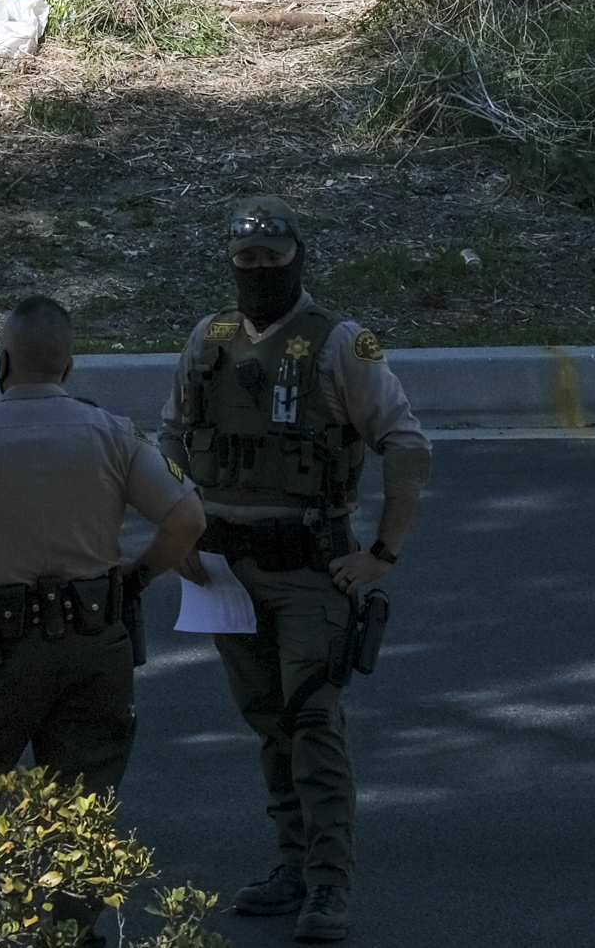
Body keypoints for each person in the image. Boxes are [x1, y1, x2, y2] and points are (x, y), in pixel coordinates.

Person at [159, 197, 429, 945]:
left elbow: (407, 446)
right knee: (268, 721)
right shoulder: (207, 340)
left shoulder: (342, 343)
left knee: (312, 719)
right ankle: (292, 865)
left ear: (297, 258)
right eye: (245, 260)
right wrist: (177, 526)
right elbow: (171, 438)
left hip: (311, 565)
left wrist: (381, 555)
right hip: (224, 568)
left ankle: (329, 880)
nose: (258, 271)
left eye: (271, 259)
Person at [0, 294, 207, 858]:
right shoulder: (115, 433)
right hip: (95, 643)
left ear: (1, 363)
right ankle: (72, 911)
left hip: (1, 650)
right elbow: (187, 519)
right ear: (68, 367)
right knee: (82, 810)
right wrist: (139, 574)